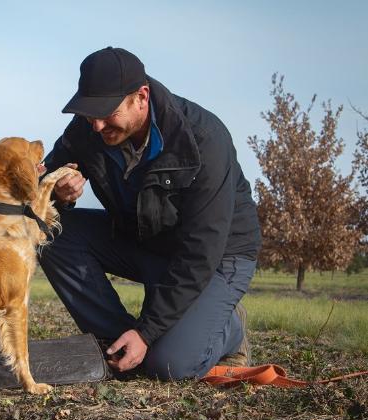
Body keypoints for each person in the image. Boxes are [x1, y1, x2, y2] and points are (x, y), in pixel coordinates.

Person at [39, 47, 261, 381]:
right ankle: (117, 342)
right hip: (146, 239)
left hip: (219, 257)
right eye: (88, 113)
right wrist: (58, 193)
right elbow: (46, 178)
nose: (96, 125)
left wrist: (149, 331)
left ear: (141, 97)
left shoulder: (205, 139)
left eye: (106, 112)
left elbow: (202, 250)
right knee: (51, 232)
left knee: (169, 365)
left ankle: (228, 327)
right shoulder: (87, 129)